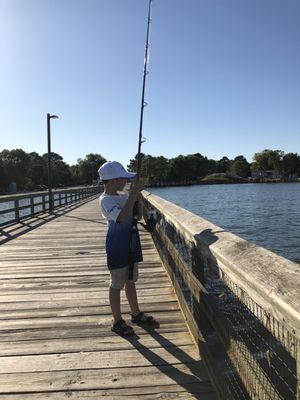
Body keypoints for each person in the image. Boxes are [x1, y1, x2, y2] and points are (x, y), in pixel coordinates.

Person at [98, 161, 159, 336]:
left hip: (132, 242)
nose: (126, 181)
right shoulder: (106, 200)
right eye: (123, 178)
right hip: (117, 244)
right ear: (113, 180)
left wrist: (137, 198)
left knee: (130, 280)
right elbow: (122, 218)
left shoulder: (124, 196)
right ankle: (117, 320)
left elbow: (136, 216)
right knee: (117, 282)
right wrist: (132, 196)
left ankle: (136, 313)